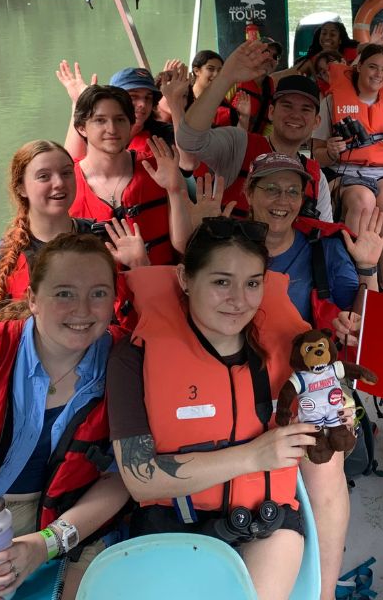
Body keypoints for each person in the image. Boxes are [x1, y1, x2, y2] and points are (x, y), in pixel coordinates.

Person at [106, 218, 322, 600]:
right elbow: (141, 480)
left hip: (268, 525)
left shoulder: (294, 350)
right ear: (185, 278)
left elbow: (332, 434)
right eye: (221, 282)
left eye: (253, 283)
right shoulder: (133, 358)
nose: (239, 300)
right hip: (170, 525)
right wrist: (255, 456)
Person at [0, 234, 131, 600]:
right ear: (33, 300)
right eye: (64, 293)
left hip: (69, 526)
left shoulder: (124, 364)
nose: (83, 310)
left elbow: (120, 478)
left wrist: (46, 545)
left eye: (99, 293)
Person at [0, 140, 148, 331]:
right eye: (44, 176)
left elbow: (148, 317)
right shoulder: (0, 254)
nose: (59, 183)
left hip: (99, 357)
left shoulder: (108, 239)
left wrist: (141, 266)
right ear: (21, 187)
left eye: (66, 173)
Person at [175, 40, 333, 221]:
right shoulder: (238, 145)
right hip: (234, 247)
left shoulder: (317, 178)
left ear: (316, 122)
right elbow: (189, 140)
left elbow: (324, 232)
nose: (295, 115)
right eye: (287, 106)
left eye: (305, 109)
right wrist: (226, 76)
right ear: (271, 112)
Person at [244, 152, 383, 326]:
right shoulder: (226, 246)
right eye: (272, 189)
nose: (282, 200)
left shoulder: (326, 248)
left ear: (301, 200)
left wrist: (367, 269)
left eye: (293, 191)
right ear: (249, 194)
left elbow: (361, 325)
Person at [311, 44, 383, 291]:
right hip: (345, 172)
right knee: (362, 202)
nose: (379, 74)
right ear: (358, 67)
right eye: (372, 67)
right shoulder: (331, 102)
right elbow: (317, 155)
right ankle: (357, 288)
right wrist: (331, 152)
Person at [69, 85, 194, 265]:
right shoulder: (67, 180)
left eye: (120, 119)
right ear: (81, 128)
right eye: (100, 120)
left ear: (130, 123)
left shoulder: (159, 168)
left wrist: (174, 190)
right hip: (99, 290)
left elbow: (184, 246)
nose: (112, 129)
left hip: (156, 283)